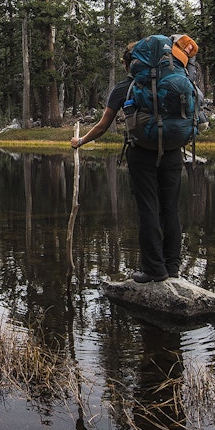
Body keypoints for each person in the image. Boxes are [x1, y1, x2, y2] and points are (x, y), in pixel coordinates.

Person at [71, 41, 183, 283]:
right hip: (174, 152)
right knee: (171, 209)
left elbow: (102, 126)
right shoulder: (173, 81)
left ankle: (155, 269)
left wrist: (80, 141)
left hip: (141, 152)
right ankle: (172, 267)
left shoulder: (124, 88)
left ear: (129, 64)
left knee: (148, 209)